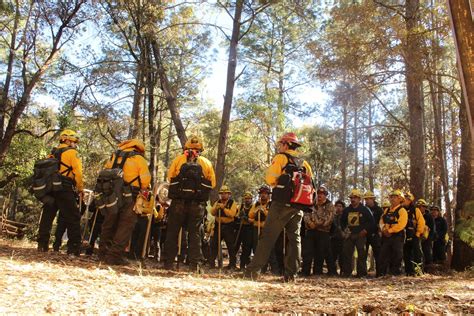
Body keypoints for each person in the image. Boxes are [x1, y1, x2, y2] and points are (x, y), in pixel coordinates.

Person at [244, 132, 314, 282]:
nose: (279, 146)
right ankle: (291, 275)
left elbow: (270, 179)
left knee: (267, 237)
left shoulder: (281, 158)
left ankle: (252, 272)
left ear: (286, 144)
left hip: (281, 204)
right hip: (298, 206)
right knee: (295, 239)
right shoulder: (304, 163)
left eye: (281, 144)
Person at [163, 135, 216, 271]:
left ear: (186, 147)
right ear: (201, 149)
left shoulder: (178, 160)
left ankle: (168, 263)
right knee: (195, 233)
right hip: (197, 204)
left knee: (173, 232)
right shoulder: (206, 163)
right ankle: (194, 265)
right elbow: (213, 183)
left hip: (178, 203)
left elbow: (170, 178)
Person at [98, 139, 151, 265]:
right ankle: (114, 256)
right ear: (138, 149)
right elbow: (145, 180)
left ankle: (102, 253)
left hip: (111, 195)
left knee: (109, 222)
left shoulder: (114, 156)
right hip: (130, 196)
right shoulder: (139, 159)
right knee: (126, 225)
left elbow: (105, 172)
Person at [37, 129, 83, 255]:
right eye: (74, 141)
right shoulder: (72, 153)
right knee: (73, 217)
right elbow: (78, 173)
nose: (75, 144)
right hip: (65, 188)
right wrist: (80, 188)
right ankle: (74, 248)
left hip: (50, 188)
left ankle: (42, 244)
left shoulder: (53, 153)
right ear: (68, 140)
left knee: (47, 216)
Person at [302, 185, 336, 276]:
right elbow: (306, 215)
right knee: (307, 252)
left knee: (320, 253)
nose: (320, 195)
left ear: (326, 195)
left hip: (323, 232)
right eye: (319, 193)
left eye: (323, 194)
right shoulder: (311, 204)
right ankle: (305, 272)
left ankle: (317, 272)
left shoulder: (330, 206)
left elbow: (329, 219)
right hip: (310, 231)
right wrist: (310, 223)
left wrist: (316, 224)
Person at [340, 189, 375, 278]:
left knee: (362, 254)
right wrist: (345, 230)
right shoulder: (347, 210)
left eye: (355, 197)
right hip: (350, 235)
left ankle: (362, 274)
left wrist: (366, 230)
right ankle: (347, 273)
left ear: (359, 199)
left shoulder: (365, 209)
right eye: (351, 197)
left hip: (361, 235)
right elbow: (342, 222)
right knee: (346, 253)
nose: (353, 199)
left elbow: (372, 222)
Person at [378, 190, 408, 276]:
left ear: (400, 199)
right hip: (386, 236)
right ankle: (381, 274)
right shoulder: (386, 210)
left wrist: (390, 231)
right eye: (391, 197)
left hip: (397, 236)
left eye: (395, 197)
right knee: (383, 255)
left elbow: (401, 224)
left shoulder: (402, 211)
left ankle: (395, 274)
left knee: (397, 255)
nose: (392, 199)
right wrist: (383, 229)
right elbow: (381, 221)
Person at [209, 185, 238, 269]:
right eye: (222, 193)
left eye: (225, 193)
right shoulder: (217, 202)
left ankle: (232, 264)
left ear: (229, 194)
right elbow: (212, 212)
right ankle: (211, 264)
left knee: (231, 246)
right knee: (214, 245)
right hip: (218, 226)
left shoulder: (232, 203)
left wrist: (224, 208)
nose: (223, 195)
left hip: (229, 227)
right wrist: (217, 208)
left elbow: (232, 214)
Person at [403, 192, 426, 276]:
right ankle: (408, 271)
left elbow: (421, 222)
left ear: (410, 200)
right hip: (404, 235)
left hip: (415, 235)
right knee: (406, 254)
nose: (404, 200)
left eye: (406, 199)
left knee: (417, 253)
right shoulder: (401, 209)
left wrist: (418, 233)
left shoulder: (415, 210)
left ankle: (418, 272)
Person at [364, 190, 383, 276]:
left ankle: (379, 273)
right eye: (366, 199)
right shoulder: (363, 209)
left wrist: (379, 231)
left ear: (373, 199)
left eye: (369, 199)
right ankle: (362, 273)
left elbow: (382, 222)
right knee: (363, 254)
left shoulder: (379, 210)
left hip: (375, 235)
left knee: (378, 254)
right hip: (365, 234)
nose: (367, 200)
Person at [234, 191, 255, 270]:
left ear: (251, 199)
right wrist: (239, 217)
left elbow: (253, 219)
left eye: (249, 199)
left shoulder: (253, 207)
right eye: (246, 199)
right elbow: (237, 216)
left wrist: (246, 218)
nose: (247, 200)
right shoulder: (241, 206)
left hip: (249, 229)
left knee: (246, 248)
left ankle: (243, 265)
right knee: (235, 245)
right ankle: (233, 263)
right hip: (240, 228)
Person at [417, 199, 435, 266]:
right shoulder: (415, 215)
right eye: (418, 207)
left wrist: (429, 238)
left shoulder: (429, 216)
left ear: (425, 207)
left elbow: (432, 228)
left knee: (427, 252)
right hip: (417, 237)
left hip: (427, 238)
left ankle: (429, 267)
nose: (420, 208)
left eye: (422, 206)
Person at [331, 200, 346, 274]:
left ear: (343, 208)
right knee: (333, 256)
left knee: (342, 256)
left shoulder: (345, 217)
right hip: (333, 238)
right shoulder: (332, 216)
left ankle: (343, 271)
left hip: (343, 239)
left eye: (340, 206)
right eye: (337, 206)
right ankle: (333, 271)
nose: (338, 208)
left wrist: (345, 234)